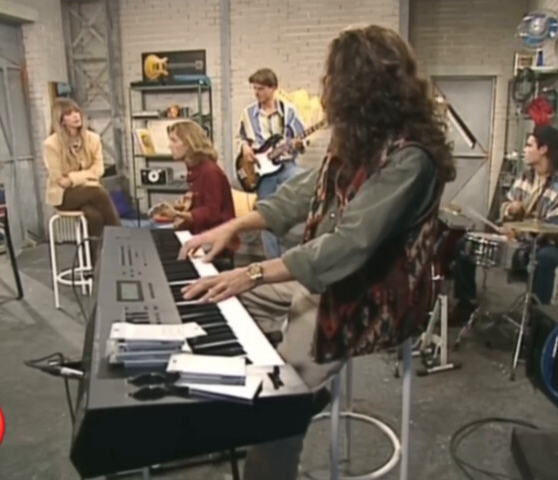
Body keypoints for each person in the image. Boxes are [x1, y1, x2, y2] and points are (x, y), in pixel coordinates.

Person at [178, 25, 455, 480]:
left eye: (332, 81)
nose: (326, 92)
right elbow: (299, 194)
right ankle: (259, 398)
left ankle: (278, 425)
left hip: (373, 295)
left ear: (358, 89)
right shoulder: (361, 141)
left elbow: (347, 245)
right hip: (330, 280)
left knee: (281, 397)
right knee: (214, 297)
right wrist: (233, 226)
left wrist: (252, 273)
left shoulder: (410, 158)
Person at [453, 125, 558, 321]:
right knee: (464, 245)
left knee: (545, 258)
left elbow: (556, 227)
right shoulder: (525, 176)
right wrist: (510, 209)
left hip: (548, 244)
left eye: (529, 145)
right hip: (516, 238)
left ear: (543, 149)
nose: (524, 150)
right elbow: (505, 206)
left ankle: (537, 318)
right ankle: (466, 302)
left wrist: (518, 233)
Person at [236, 67, 307, 259]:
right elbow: (240, 138)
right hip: (262, 171)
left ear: (273, 88)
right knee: (266, 217)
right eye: (254, 88)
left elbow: (303, 139)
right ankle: (272, 262)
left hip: (286, 165)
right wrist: (244, 147)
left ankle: (295, 259)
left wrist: (298, 144)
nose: (256, 93)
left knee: (301, 196)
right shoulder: (248, 113)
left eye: (261, 88)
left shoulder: (289, 111)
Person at [43, 98, 120, 259]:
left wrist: (72, 179)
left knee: (94, 216)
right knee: (98, 191)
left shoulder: (93, 139)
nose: (75, 116)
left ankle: (93, 262)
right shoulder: (51, 144)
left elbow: (98, 169)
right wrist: (85, 177)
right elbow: (59, 179)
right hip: (64, 196)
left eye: (76, 111)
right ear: (61, 120)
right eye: (69, 114)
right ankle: (120, 238)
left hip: (87, 191)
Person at [156, 120, 235, 236]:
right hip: (202, 234)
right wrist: (183, 207)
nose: (169, 146)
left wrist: (178, 214)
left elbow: (212, 213)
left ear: (189, 143)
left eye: (174, 140)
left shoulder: (209, 171)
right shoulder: (196, 169)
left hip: (216, 238)